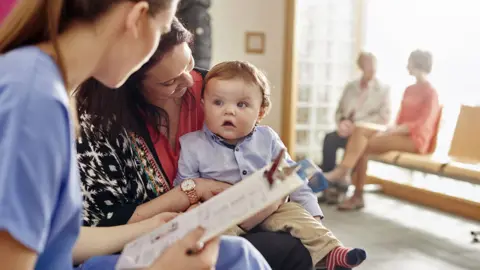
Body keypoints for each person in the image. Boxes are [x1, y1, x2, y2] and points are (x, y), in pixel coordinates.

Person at [0, 1, 270, 270]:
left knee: (236, 254)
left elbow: (55, 240)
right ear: (138, 17)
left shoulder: (41, 80)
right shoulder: (34, 100)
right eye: (162, 28)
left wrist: (152, 228)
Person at [75, 17, 312, 269]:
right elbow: (103, 223)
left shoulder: (215, 92)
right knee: (282, 250)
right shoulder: (98, 127)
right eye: (169, 82)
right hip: (159, 237)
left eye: (189, 63)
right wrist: (193, 189)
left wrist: (275, 193)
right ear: (127, 84)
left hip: (242, 214)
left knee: (298, 241)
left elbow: (262, 150)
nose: (189, 83)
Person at [174, 60, 368, 270]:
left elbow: (294, 179)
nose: (229, 111)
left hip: (270, 209)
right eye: (218, 103)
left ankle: (331, 253)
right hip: (223, 214)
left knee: (295, 212)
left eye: (241, 105)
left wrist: (314, 216)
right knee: (211, 235)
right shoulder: (192, 144)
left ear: (260, 111)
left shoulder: (268, 139)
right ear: (203, 105)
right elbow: (184, 188)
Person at [325, 49, 441, 211]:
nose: (407, 65)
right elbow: (400, 118)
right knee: (361, 131)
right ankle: (347, 179)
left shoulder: (431, 92)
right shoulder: (409, 89)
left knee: (363, 145)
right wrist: (392, 129)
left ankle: (346, 178)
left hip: (416, 140)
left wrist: (396, 130)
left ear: (417, 64)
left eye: (409, 62)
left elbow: (424, 124)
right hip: (399, 133)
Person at [319, 52, 391, 204]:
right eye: (367, 64)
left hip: (364, 133)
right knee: (329, 139)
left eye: (373, 64)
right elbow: (339, 110)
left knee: (358, 146)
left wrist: (357, 126)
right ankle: (327, 187)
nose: (371, 68)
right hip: (346, 128)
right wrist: (342, 123)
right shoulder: (351, 87)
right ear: (361, 66)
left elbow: (384, 117)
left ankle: (343, 184)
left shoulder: (383, 89)